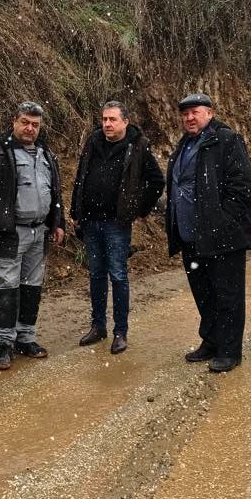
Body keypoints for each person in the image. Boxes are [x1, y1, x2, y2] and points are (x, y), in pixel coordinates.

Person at [166, 93, 251, 372]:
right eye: (185, 114)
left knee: (228, 295)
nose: (189, 118)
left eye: (195, 112)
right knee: (204, 293)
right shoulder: (185, 144)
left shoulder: (226, 140)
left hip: (222, 237)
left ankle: (229, 351)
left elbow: (241, 186)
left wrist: (223, 222)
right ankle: (212, 340)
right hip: (191, 237)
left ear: (210, 113)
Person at [0, 101, 65, 370]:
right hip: (11, 233)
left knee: (32, 288)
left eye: (35, 124)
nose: (30, 128)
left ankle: (25, 337)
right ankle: (4, 343)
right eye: (25, 122)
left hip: (40, 232)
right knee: (7, 287)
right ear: (14, 121)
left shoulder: (46, 153)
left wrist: (58, 223)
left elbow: (56, 191)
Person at [70, 101, 165, 354]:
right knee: (96, 275)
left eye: (112, 119)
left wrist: (138, 209)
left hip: (116, 223)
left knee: (118, 276)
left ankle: (120, 332)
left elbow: (157, 181)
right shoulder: (93, 141)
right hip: (91, 221)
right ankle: (98, 326)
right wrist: (75, 211)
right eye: (104, 119)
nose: (107, 124)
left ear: (125, 121)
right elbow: (81, 176)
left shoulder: (138, 146)